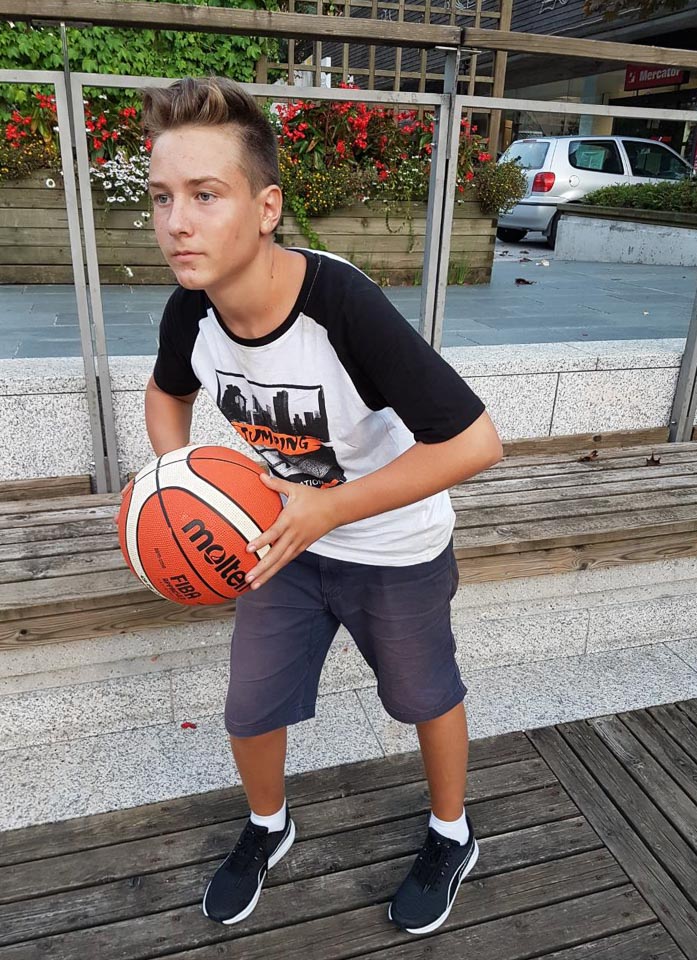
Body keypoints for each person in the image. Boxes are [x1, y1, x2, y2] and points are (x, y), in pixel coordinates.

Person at [141, 76, 503, 936]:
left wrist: (330, 509)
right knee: (250, 704)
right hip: (283, 540)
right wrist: (177, 482)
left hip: (394, 543)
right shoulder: (191, 311)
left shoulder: (340, 305)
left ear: (266, 208)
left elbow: (475, 442)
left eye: (205, 195)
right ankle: (270, 825)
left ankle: (452, 833)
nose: (177, 221)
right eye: (161, 197)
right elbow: (166, 394)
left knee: (423, 695)